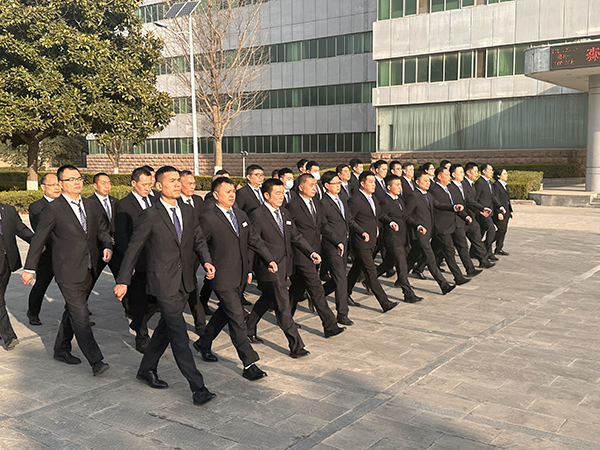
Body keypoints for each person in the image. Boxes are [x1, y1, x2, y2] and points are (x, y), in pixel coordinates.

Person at [114, 166, 217, 406]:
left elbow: (198, 239)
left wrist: (207, 261)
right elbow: (133, 248)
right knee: (179, 334)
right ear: (159, 185)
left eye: (178, 181)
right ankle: (198, 387)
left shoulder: (188, 211)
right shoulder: (151, 214)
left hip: (185, 281)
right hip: (162, 282)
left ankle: (146, 368)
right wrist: (123, 281)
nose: (177, 185)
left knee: (164, 329)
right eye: (172, 181)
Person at [22, 165, 112, 376]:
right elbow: (39, 239)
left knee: (71, 311)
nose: (77, 182)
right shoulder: (53, 209)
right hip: (67, 271)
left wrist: (107, 245)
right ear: (61, 184)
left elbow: (101, 230)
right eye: (71, 179)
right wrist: (29, 268)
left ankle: (61, 348)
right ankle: (96, 360)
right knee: (80, 314)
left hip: (90, 268)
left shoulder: (90, 205)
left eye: (79, 178)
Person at [196, 177, 275, 380]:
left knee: (224, 312)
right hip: (222, 277)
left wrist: (269, 259)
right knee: (238, 318)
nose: (232, 195)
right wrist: (205, 263)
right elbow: (199, 244)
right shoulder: (209, 217)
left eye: (233, 191)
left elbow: (254, 239)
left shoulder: (240, 214)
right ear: (216, 195)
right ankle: (249, 363)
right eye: (227, 191)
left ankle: (203, 342)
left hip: (239, 275)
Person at [245, 178, 314, 358]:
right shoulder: (257, 215)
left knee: (267, 298)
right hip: (269, 268)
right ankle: (296, 345)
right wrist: (249, 270)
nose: (281, 196)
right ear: (266, 195)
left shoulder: (284, 213)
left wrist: (310, 252)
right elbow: (253, 243)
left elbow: (295, 236)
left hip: (284, 267)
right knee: (283, 305)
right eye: (277, 193)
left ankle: (248, 327)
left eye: (283, 193)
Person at [287, 174, 345, 338]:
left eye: (315, 185)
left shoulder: (316, 204)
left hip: (315, 253)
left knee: (297, 287)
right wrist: (307, 251)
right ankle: (330, 325)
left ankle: (285, 317)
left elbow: (323, 226)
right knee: (317, 289)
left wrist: (336, 241)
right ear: (300, 187)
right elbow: (294, 233)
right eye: (311, 185)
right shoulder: (293, 206)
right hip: (301, 254)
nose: (314, 188)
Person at [113, 166, 158, 353]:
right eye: (144, 184)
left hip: (156, 259)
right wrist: (128, 264)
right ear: (134, 183)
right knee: (139, 301)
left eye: (150, 184)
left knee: (157, 300)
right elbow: (122, 238)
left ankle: (138, 322)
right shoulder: (123, 205)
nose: (147, 188)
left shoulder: (156, 199)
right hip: (137, 261)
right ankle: (141, 337)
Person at [346, 171, 399, 313]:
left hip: (372, 241)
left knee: (356, 269)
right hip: (361, 241)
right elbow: (349, 220)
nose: (373, 185)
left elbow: (380, 214)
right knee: (371, 272)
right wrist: (360, 231)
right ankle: (384, 302)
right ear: (362, 184)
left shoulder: (373, 198)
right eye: (370, 182)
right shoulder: (355, 200)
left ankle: (344, 292)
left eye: (374, 182)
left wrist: (390, 222)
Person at [321, 171, 366, 325]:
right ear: (327, 186)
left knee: (338, 278)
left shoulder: (341, 199)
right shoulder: (323, 203)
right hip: (332, 246)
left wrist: (361, 232)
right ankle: (342, 313)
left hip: (344, 243)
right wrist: (335, 241)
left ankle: (318, 296)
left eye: (339, 183)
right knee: (341, 279)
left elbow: (349, 220)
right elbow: (324, 226)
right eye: (335, 183)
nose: (338, 186)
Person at [405, 170, 456, 296]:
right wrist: (417, 226)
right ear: (417, 182)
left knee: (412, 258)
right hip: (419, 233)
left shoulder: (428, 195)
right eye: (425, 181)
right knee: (430, 258)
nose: (428, 183)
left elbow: (438, 205)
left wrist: (453, 207)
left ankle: (400, 278)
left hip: (428, 232)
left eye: (429, 181)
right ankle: (443, 284)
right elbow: (406, 216)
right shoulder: (413, 196)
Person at [375, 174, 422, 303]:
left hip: (403, 238)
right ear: (388, 187)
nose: (399, 187)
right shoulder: (384, 201)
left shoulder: (399, 200)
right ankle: (408, 293)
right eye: (396, 185)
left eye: (400, 185)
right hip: (392, 239)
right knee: (402, 265)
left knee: (388, 263)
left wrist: (417, 226)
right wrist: (390, 223)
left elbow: (406, 217)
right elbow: (382, 217)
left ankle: (369, 279)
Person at [177, 170, 210, 337]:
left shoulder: (198, 200)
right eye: (188, 183)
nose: (192, 186)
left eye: (193, 183)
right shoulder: (174, 203)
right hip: (180, 255)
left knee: (191, 286)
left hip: (197, 251)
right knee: (187, 288)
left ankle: (200, 324)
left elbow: (203, 225)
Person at [26, 173, 61, 326]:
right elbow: (40, 232)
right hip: (47, 253)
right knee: (41, 284)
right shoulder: (36, 207)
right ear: (43, 187)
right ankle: (33, 313)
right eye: (52, 184)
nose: (56, 187)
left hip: (65, 254)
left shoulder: (66, 204)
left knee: (72, 286)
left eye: (58, 184)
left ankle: (78, 314)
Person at [427, 168, 471, 286]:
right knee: (449, 251)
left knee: (436, 251)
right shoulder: (434, 190)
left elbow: (455, 204)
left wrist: (465, 216)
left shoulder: (448, 189)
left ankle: (416, 269)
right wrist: (453, 207)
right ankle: (458, 277)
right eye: (446, 175)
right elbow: (439, 205)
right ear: (439, 177)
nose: (449, 177)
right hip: (442, 226)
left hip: (451, 224)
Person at [0, 202, 33, 350]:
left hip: (7, 262)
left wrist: (38, 243)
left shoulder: (8, 210)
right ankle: (9, 336)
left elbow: (21, 229)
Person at [447, 164, 486, 276]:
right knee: (461, 246)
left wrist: (481, 209)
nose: (462, 174)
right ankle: (469, 269)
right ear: (453, 174)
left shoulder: (463, 186)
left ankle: (479, 262)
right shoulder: (451, 188)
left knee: (462, 245)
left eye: (462, 172)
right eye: (459, 173)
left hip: (465, 218)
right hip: (456, 220)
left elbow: (469, 201)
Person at [85, 173, 120, 292]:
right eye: (103, 183)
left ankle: (129, 310)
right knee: (89, 281)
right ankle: (78, 308)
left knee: (121, 279)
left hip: (115, 247)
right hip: (97, 248)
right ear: (95, 185)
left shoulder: (116, 202)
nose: (107, 186)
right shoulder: (88, 203)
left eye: (109, 183)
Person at [462, 163, 495, 268]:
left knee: (477, 239)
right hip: (463, 217)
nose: (477, 174)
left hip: (472, 217)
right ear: (468, 172)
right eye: (475, 172)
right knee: (448, 246)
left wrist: (479, 211)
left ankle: (483, 260)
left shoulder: (471, 184)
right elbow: (469, 201)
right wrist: (481, 209)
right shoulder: (464, 184)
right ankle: (420, 266)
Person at [475, 163, 504, 261]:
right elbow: (476, 198)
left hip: (489, 210)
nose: (492, 172)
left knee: (481, 232)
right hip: (483, 211)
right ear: (484, 171)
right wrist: (479, 210)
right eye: (490, 170)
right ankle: (486, 251)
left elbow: (493, 196)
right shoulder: (479, 182)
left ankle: (475, 251)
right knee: (491, 229)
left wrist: (500, 206)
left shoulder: (489, 182)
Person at [492, 167, 513, 256]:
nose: (506, 175)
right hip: (500, 211)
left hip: (506, 211)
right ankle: (484, 244)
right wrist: (498, 212)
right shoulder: (496, 185)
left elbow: (507, 200)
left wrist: (511, 210)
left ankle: (499, 248)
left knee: (504, 230)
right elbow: (495, 199)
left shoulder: (504, 185)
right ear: (498, 175)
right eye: (504, 173)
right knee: (501, 229)